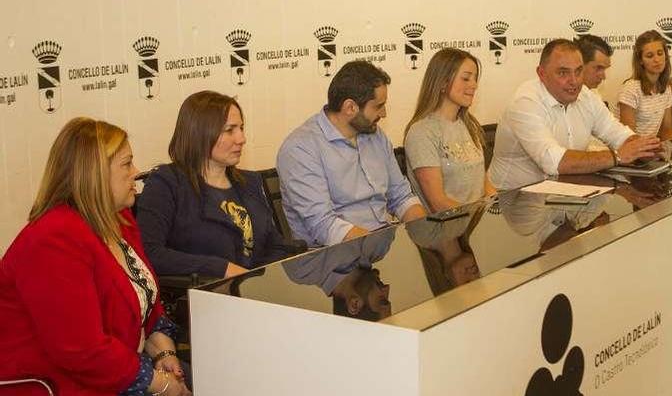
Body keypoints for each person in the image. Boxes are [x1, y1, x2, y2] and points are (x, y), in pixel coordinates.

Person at [0, 118, 190, 396]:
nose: (136, 172)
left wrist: (164, 355)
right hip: (59, 384)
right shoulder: (53, 239)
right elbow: (80, 350)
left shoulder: (119, 219)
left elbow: (145, 301)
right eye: (126, 164)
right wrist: (160, 384)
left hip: (118, 372)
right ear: (95, 174)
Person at [138, 91, 290, 279]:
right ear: (200, 133)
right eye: (230, 130)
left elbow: (275, 245)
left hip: (254, 295)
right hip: (202, 298)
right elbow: (150, 253)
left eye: (241, 128)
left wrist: (261, 280)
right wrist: (220, 268)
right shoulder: (166, 183)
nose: (241, 138)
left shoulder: (249, 182)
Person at [278, 61, 426, 248]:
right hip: (334, 261)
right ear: (350, 108)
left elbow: (401, 197)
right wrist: (377, 251)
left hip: (379, 247)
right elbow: (325, 226)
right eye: (378, 106)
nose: (384, 113)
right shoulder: (300, 149)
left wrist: (424, 238)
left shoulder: (376, 136)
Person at [489, 39, 661, 190]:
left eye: (578, 71)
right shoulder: (525, 102)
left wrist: (642, 147)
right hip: (512, 203)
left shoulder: (586, 96)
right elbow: (553, 162)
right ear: (541, 74)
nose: (574, 81)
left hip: (562, 197)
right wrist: (617, 156)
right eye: (563, 73)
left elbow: (617, 133)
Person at [404, 48, 495, 213]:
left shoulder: (470, 125)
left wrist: (496, 207)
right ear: (443, 82)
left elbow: (484, 184)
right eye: (466, 78)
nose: (474, 85)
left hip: (477, 226)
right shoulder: (421, 133)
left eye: (475, 79)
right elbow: (438, 202)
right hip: (446, 231)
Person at [615, 30, 672, 139]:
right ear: (640, 61)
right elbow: (628, 137)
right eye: (650, 56)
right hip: (630, 151)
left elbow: (667, 130)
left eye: (660, 53)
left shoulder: (666, 88)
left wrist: (667, 152)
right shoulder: (630, 89)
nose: (657, 60)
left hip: (651, 151)